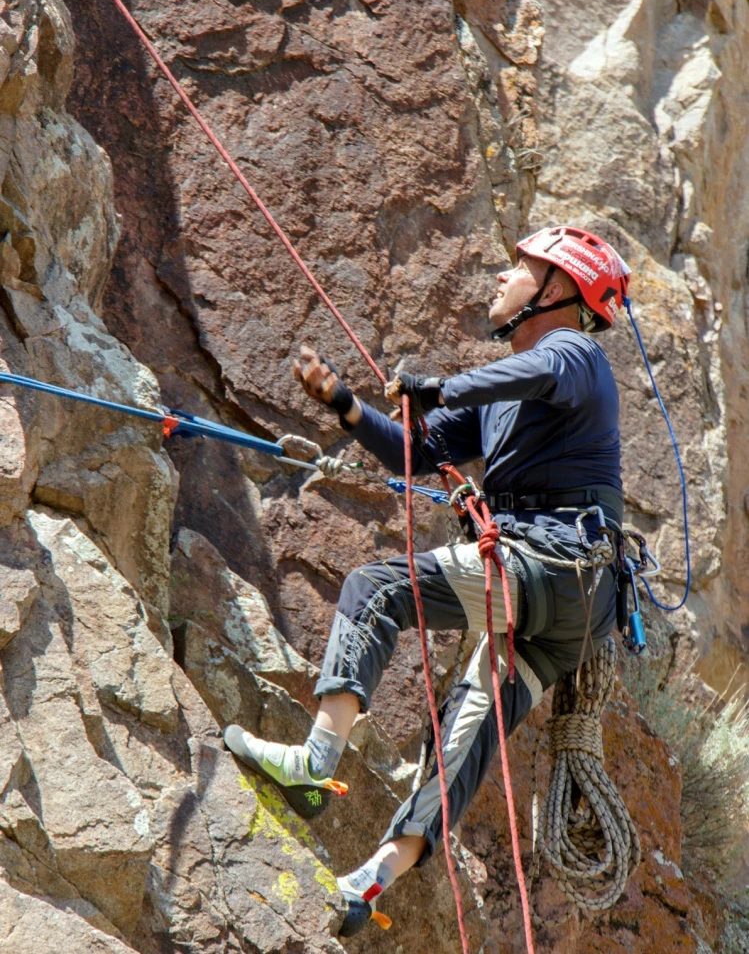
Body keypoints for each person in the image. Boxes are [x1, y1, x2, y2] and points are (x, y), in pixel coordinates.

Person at [224, 225, 631, 936]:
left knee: (374, 590)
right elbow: (420, 450)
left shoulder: (573, 353)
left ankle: (314, 761)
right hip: (570, 606)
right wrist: (346, 406)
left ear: (558, 290)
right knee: (462, 740)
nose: (499, 281)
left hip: (550, 563)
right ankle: (372, 879)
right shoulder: (514, 388)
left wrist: (438, 386)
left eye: (519, 270)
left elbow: (523, 376)